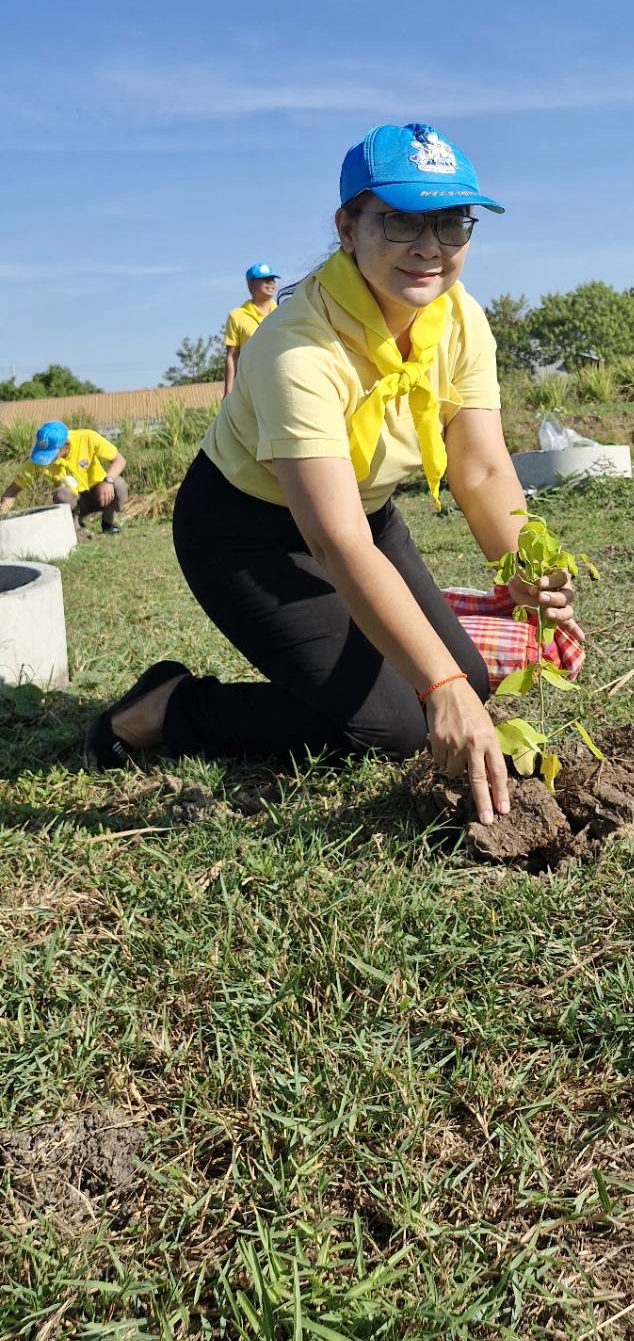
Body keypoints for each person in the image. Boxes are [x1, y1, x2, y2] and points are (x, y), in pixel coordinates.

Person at [84, 122, 576, 825]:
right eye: (401, 219)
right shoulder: (297, 347)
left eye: (452, 222)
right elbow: (336, 540)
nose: (429, 245)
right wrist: (433, 684)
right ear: (348, 227)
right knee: (403, 721)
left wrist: (520, 565)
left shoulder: (461, 321)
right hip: (243, 532)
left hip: (362, 514)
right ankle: (170, 709)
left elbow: (484, 466)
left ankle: (393, 685)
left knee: (469, 679)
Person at [1, 421, 128, 535]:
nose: (46, 460)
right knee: (61, 493)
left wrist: (108, 480)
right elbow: (12, 491)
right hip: (73, 502)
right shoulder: (38, 461)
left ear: (66, 445)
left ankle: (108, 524)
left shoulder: (88, 438)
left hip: (99, 495)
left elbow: (120, 460)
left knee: (119, 485)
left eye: (51, 454)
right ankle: (77, 530)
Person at [223, 263, 280, 396]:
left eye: (273, 279)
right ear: (250, 284)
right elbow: (232, 356)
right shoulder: (237, 316)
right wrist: (228, 392)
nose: (271, 283)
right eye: (265, 280)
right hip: (251, 387)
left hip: (278, 380)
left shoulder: (282, 311)